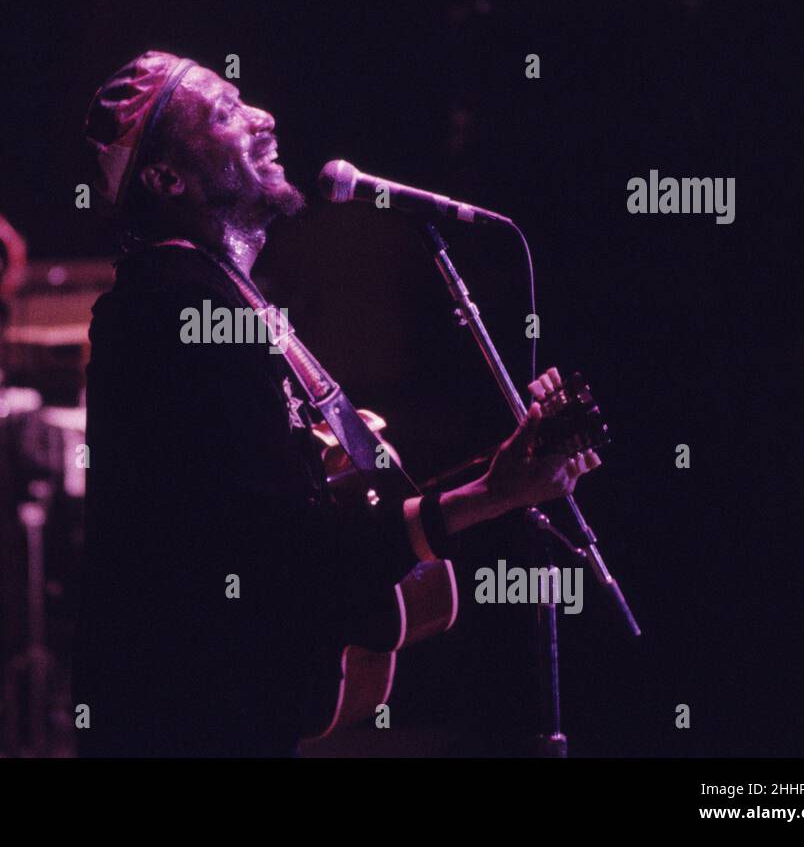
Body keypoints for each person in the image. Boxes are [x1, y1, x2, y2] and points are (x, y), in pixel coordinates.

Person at [74, 52, 601, 756]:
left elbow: (310, 519)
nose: (264, 118)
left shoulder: (219, 298)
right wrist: (485, 495)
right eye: (227, 113)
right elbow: (295, 553)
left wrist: (497, 484)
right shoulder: (170, 307)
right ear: (166, 177)